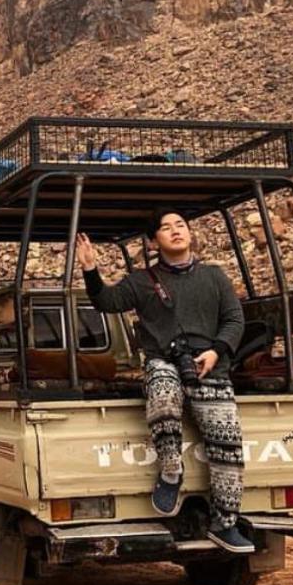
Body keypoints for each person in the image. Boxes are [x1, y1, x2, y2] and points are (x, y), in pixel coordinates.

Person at [75, 207, 253, 554]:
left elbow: (234, 319)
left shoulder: (215, 277)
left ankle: (225, 524)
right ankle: (171, 470)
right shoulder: (142, 282)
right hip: (165, 362)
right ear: (154, 240)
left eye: (180, 225)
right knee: (161, 382)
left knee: (228, 448)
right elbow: (106, 302)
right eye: (166, 227)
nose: (175, 231)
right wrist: (90, 269)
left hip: (210, 367)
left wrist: (216, 352)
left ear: (189, 232)